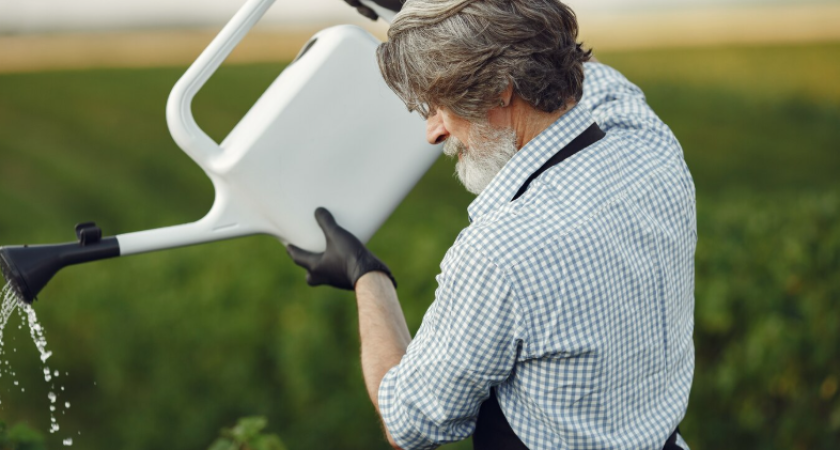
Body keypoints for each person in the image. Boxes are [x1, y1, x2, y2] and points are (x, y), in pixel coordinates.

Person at [287, 1, 696, 449]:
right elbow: (577, 64)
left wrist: (365, 275)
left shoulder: (500, 253)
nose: (434, 131)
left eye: (439, 104)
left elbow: (407, 422)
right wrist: (437, 12)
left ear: (502, 90)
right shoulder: (649, 143)